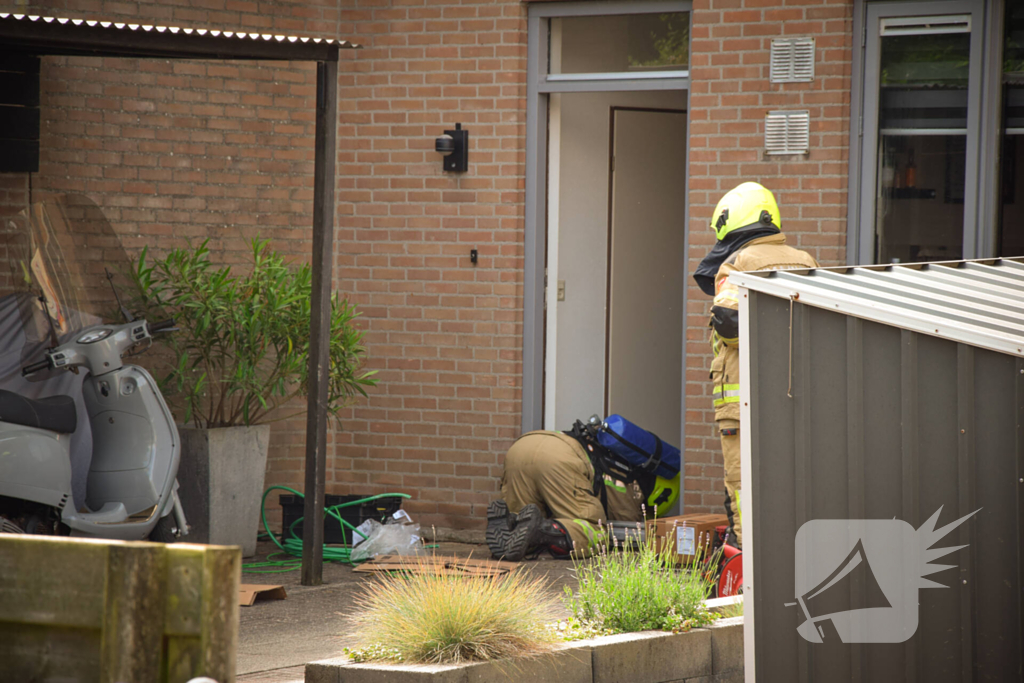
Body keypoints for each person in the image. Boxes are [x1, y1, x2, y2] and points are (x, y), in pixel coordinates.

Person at [693, 181, 818, 549]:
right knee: (791, 479)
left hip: (742, 405)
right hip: (796, 396)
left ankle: (750, 567)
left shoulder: (740, 262)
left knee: (744, 483)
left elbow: (729, 324)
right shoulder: (805, 260)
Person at [486, 426, 680, 561]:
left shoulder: (614, 456)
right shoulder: (631, 486)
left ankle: (511, 528)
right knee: (596, 532)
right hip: (559, 458)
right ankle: (542, 530)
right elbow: (626, 527)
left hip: (522, 445)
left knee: (523, 518)